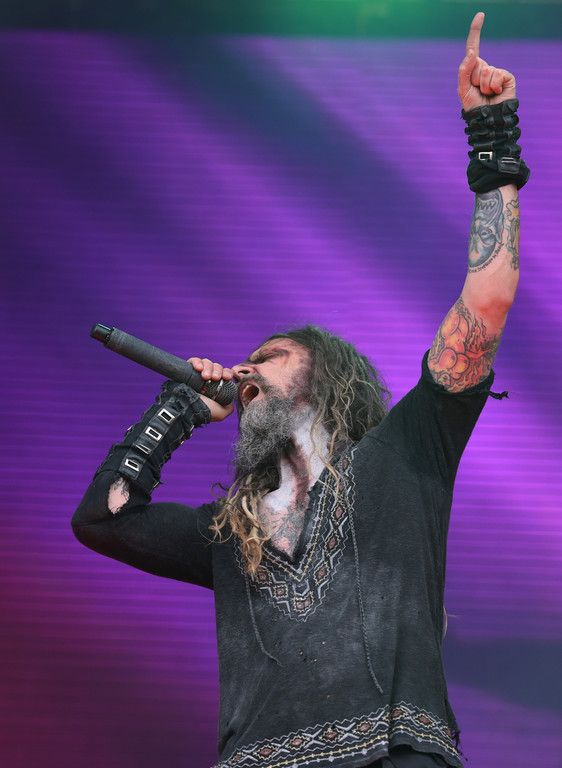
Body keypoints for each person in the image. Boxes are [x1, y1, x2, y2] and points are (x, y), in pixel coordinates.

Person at [71, 12, 529, 768]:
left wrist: (492, 136)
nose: (247, 371)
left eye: (271, 357)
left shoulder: (403, 457)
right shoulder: (231, 537)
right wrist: (180, 407)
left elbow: (486, 303)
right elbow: (102, 522)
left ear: (325, 378)